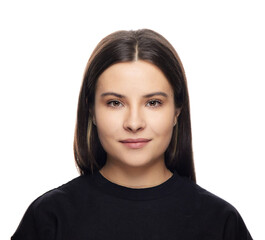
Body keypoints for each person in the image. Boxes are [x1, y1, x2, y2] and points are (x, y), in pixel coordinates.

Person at [11, 29, 252, 239]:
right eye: (115, 103)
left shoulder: (220, 223)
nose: (134, 123)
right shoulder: (49, 217)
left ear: (177, 111)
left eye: (153, 103)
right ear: (92, 111)